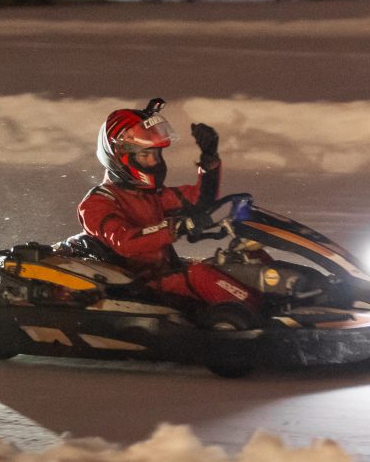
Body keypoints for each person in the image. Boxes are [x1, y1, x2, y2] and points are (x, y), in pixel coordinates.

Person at [78, 99, 259, 310]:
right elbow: (124, 241)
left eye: (156, 154)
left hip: (166, 274)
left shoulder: (150, 195)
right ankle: (264, 321)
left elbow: (198, 201)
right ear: (120, 156)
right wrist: (177, 227)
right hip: (137, 289)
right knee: (199, 275)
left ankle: (289, 302)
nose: (154, 162)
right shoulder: (97, 202)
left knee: (244, 257)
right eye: (146, 154)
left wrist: (209, 160)